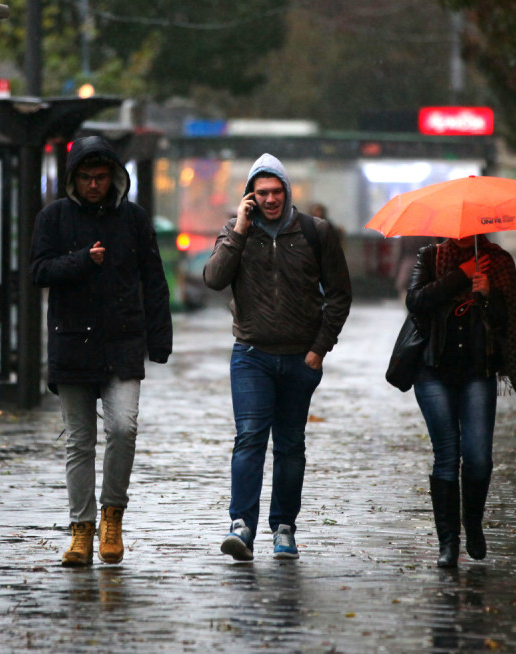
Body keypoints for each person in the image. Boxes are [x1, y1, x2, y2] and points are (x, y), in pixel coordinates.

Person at [30, 136, 172, 567]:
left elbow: (154, 279)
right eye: (86, 178)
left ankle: (113, 515)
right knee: (79, 441)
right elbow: (38, 269)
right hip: (72, 342)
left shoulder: (133, 219)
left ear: (114, 177)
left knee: (123, 428)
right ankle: (81, 531)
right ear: (73, 178)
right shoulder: (53, 217)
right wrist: (79, 261)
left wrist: (159, 340)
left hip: (123, 342)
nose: (94, 185)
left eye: (101, 176)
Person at [204, 154, 352, 561]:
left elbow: (340, 293)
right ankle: (241, 526)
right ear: (250, 194)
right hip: (251, 354)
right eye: (261, 192)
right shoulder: (237, 232)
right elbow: (214, 279)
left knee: (289, 445)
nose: (269, 199)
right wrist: (238, 228)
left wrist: (319, 349)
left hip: (299, 359)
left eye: (276, 191)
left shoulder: (314, 232)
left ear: (287, 191)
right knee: (250, 437)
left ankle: (283, 528)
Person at [405, 235, 516, 568]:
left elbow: (509, 317)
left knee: (479, 457)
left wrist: (487, 295)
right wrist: (461, 274)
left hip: (477, 372)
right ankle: (448, 543)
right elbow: (415, 300)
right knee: (446, 457)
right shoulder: (431, 256)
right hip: (433, 372)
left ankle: (473, 523)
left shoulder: (498, 262)